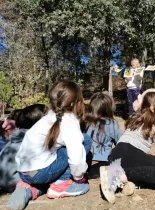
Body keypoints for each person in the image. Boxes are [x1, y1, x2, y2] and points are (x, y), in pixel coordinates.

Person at [9, 80, 92, 210]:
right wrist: (79, 178)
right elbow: (76, 158)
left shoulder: (48, 117)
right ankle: (62, 184)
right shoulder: (69, 122)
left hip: (24, 172)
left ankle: (29, 190)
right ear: (74, 103)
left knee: (46, 175)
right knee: (85, 140)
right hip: (40, 172)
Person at [101, 89, 155, 203]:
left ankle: (125, 176)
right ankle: (115, 175)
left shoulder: (135, 120)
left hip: (117, 154)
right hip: (130, 153)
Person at [0, 104, 47, 193]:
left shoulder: (15, 138)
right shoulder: (33, 138)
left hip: (4, 181)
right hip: (16, 181)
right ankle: (32, 190)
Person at [84, 92, 122, 166]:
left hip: (86, 160)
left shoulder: (86, 122)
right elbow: (120, 142)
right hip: (104, 161)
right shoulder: (111, 123)